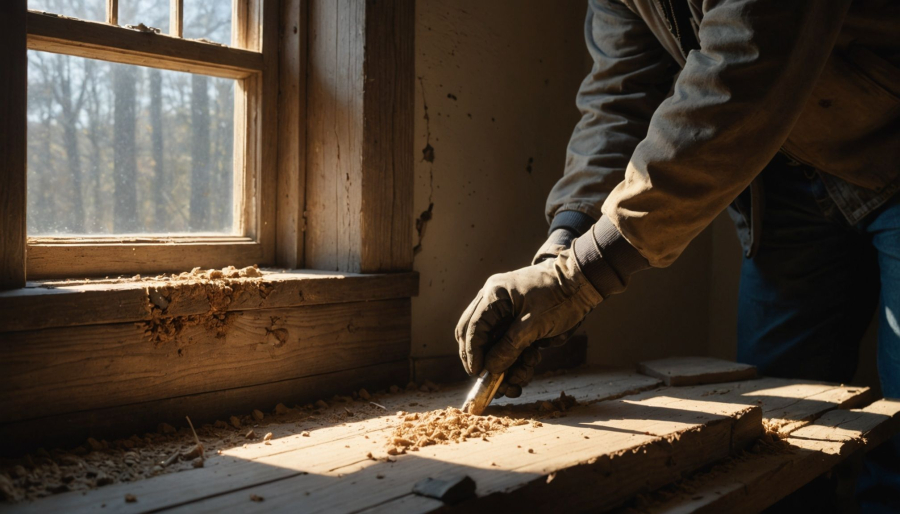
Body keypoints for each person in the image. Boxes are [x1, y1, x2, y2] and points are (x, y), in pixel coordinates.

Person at [455, 0, 900, 509]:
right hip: (784, 184)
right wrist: (561, 248)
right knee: (780, 441)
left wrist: (579, 278)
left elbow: (745, 72)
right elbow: (620, 98)